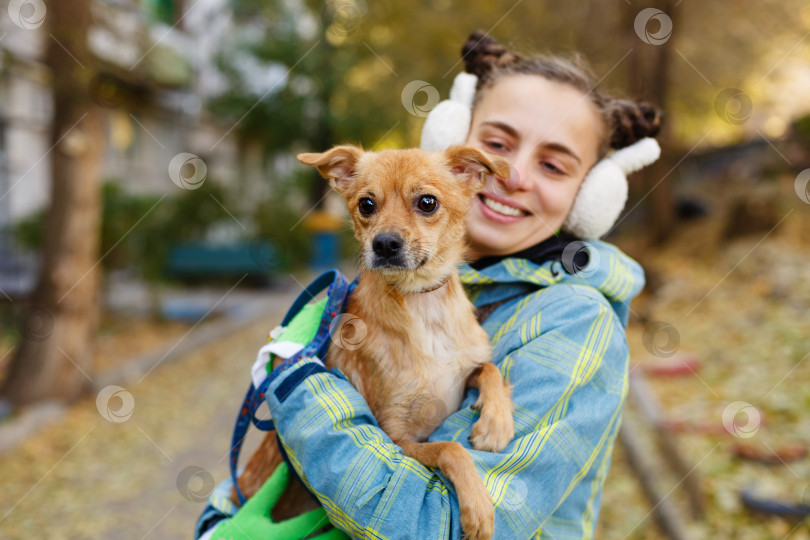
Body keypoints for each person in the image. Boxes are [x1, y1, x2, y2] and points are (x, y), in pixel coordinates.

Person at [195, 30, 660, 539]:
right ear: (455, 143)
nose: (515, 176)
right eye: (499, 143)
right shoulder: (422, 289)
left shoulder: (577, 322)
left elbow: (430, 526)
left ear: (594, 192)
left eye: (552, 164)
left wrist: (294, 381)